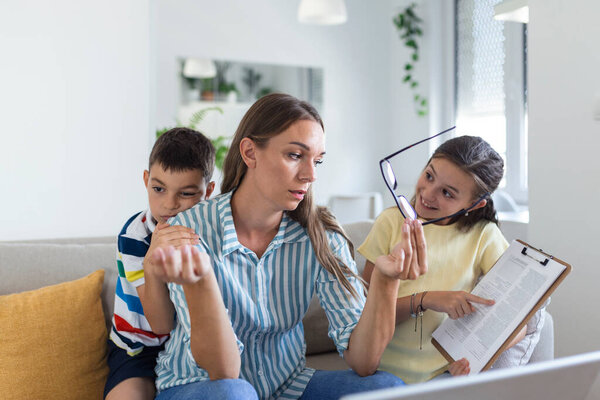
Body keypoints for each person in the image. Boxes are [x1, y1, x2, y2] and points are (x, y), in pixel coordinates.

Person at [141, 93, 428, 400]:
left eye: (317, 160)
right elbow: (223, 372)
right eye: (294, 155)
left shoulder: (322, 235)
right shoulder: (189, 230)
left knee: (386, 389)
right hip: (200, 387)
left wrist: (386, 281)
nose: (310, 174)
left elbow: (363, 362)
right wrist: (203, 282)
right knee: (233, 394)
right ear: (250, 153)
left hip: (288, 386)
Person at [358, 135, 546, 383]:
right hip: (382, 372)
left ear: (475, 205)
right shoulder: (391, 222)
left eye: (447, 193)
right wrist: (426, 300)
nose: (428, 193)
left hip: (443, 377)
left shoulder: (484, 236)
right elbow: (364, 312)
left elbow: (517, 325)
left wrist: (475, 359)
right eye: (429, 176)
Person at [104, 127, 216, 400]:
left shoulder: (212, 233)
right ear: (146, 180)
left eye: (187, 194)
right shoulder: (134, 236)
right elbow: (161, 324)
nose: (169, 205)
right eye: (158, 189)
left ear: (208, 191)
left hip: (188, 348)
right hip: (137, 348)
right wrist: (153, 259)